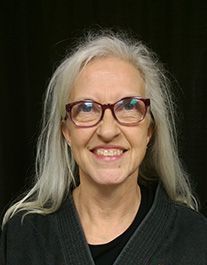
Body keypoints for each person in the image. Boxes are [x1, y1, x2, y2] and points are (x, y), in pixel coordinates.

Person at [0, 30, 207, 265]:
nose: (107, 131)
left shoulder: (197, 238)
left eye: (129, 106)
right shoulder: (23, 236)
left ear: (149, 131)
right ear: (66, 132)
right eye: (86, 108)